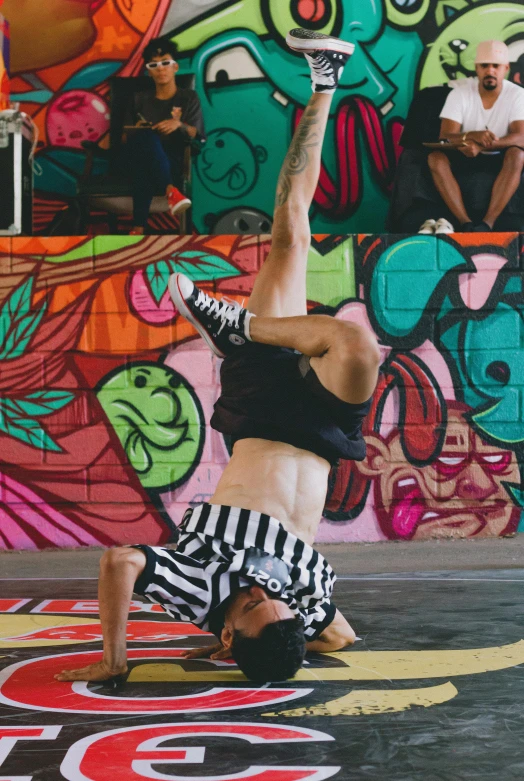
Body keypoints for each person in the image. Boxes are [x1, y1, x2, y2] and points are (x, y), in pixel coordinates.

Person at [55, 28, 380, 685]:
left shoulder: (200, 585)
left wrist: (116, 660)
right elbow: (341, 635)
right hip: (319, 431)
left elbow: (120, 562)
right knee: (353, 341)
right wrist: (300, 634)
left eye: (251, 604)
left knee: (289, 236)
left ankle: (244, 329)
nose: (261, 589)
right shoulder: (297, 607)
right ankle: (326, 79)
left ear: (228, 631)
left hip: (262, 413)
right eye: (275, 600)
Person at [421, 39, 524, 234]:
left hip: (499, 157)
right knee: (435, 158)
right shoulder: (460, 94)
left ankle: (487, 224)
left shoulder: (517, 95)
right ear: (476, 68)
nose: (490, 71)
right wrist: (470, 137)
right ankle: (465, 223)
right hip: (465, 155)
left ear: (506, 68)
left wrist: (484, 145)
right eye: (485, 65)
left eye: (496, 66)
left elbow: (521, 137)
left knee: (518, 154)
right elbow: (445, 136)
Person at [124, 37, 205, 234]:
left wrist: (178, 124)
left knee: (147, 161)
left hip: (172, 157)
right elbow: (124, 136)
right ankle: (171, 191)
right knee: (146, 137)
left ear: (175, 67)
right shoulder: (139, 99)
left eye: (166, 63)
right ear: (148, 71)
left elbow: (198, 135)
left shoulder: (188, 98)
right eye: (154, 65)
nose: (161, 69)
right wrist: (140, 129)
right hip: (137, 156)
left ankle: (138, 226)